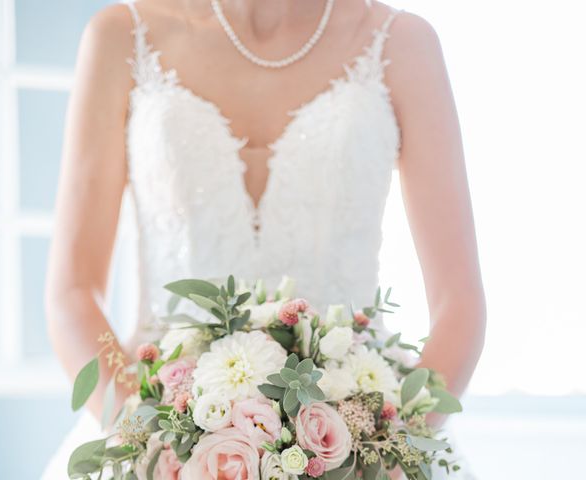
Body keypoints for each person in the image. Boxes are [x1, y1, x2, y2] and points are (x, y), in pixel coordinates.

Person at [42, 0, 486, 478]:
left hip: (356, 449)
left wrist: (384, 449)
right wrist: (150, 444)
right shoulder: (121, 35)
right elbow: (72, 292)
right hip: (156, 433)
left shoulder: (402, 43)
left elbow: (458, 300)